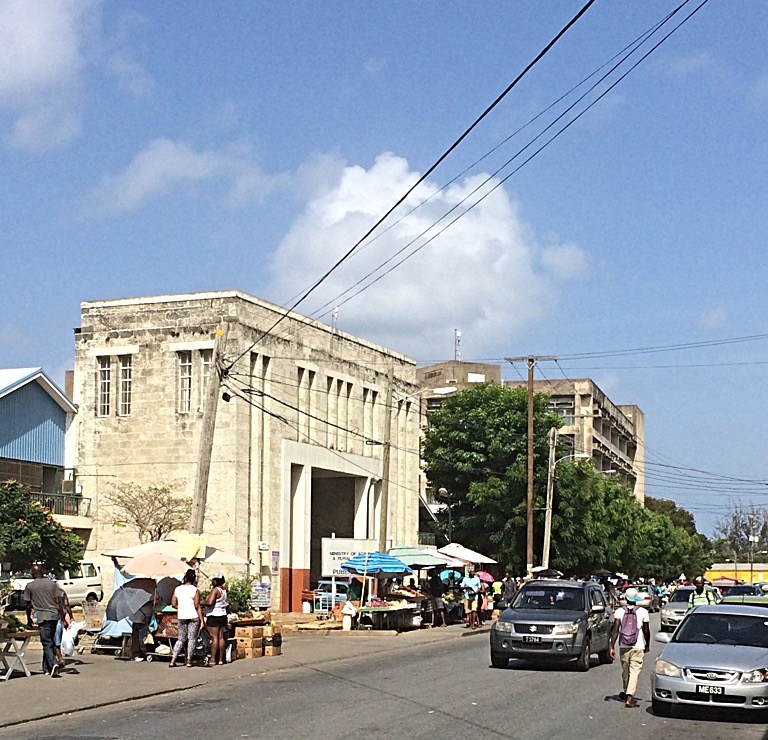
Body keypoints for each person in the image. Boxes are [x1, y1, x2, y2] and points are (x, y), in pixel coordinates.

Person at [24, 564, 68, 677]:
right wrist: (63, 618)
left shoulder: (30, 586)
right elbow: (60, 602)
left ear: (32, 573)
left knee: (46, 642)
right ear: (42, 572)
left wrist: (28, 619)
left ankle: (53, 664)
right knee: (50, 642)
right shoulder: (52, 584)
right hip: (54, 615)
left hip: (43, 617)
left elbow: (28, 605)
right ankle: (47, 668)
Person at [610, 587, 650, 708]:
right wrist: (647, 644)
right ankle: (629, 696)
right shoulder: (643, 612)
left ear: (626, 598)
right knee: (634, 671)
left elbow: (616, 630)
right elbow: (646, 630)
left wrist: (612, 646)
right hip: (638, 646)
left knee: (625, 670)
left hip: (624, 645)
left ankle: (626, 690)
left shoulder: (619, 611)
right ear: (636, 599)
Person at [170, 569, 205, 668]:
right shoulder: (195, 590)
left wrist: (181, 607)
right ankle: (189, 661)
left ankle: (173, 660)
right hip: (193, 616)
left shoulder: (177, 589)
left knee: (180, 639)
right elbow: (197, 606)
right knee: (191, 639)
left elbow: (173, 604)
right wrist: (202, 620)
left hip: (181, 616)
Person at [204, 573, 229, 666]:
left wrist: (202, 603)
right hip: (222, 615)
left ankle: (213, 658)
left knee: (214, 638)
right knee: (221, 637)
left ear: (216, 580)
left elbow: (210, 602)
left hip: (214, 615)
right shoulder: (224, 590)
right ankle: (221, 659)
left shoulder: (215, 590)